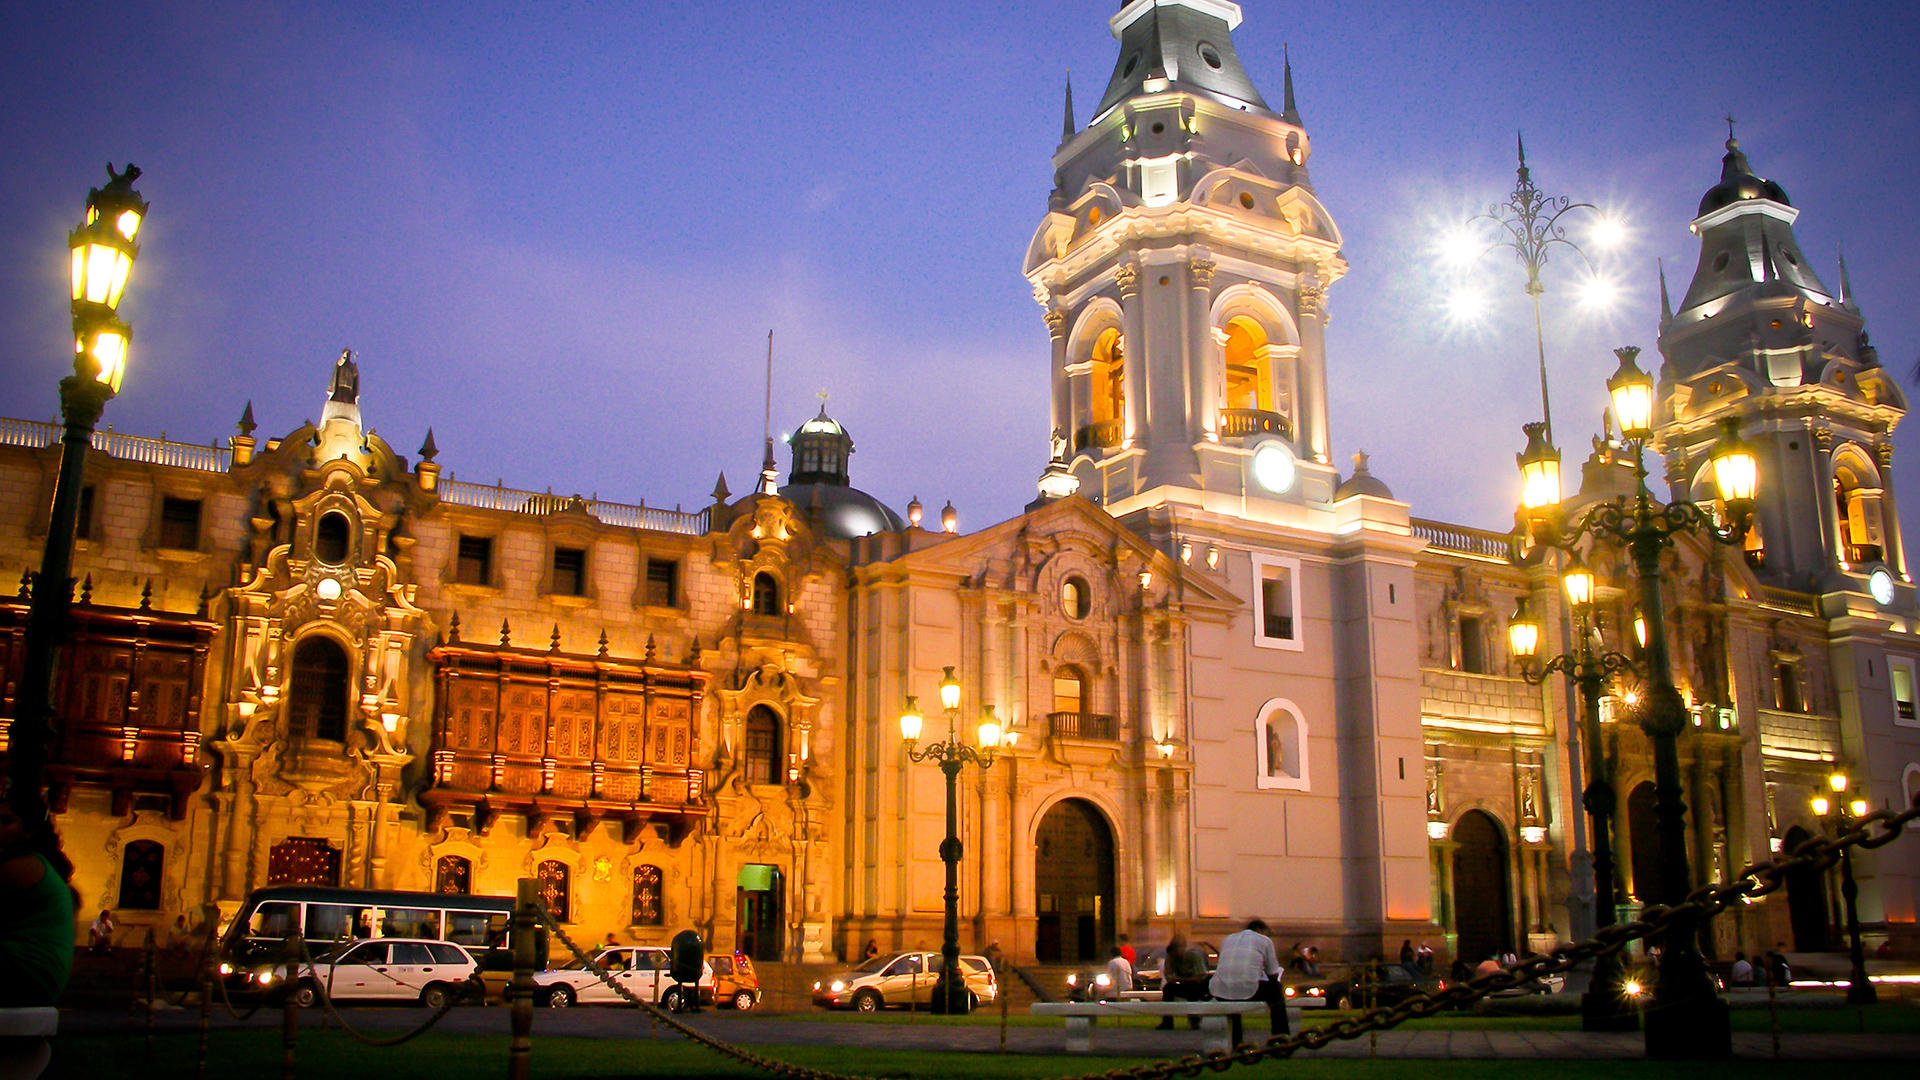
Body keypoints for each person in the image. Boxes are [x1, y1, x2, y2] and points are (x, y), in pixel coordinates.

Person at [0, 797, 78, 1007]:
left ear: (29, 830)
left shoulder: (25, 866)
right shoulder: (36, 864)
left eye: (5, 821)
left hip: (24, 974)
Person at [1210, 918, 1286, 1046]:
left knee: (1234, 990)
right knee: (1276, 988)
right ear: (1260, 930)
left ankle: (1236, 1040)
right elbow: (1273, 974)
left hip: (1219, 991)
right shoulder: (1264, 941)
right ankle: (1280, 1037)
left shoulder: (1228, 939)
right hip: (1247, 990)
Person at [1156, 932, 1209, 1031]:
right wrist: (1170, 964)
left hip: (1198, 985)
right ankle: (1167, 1022)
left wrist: (1180, 980)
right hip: (1185, 983)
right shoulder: (1171, 956)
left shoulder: (1194, 956)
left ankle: (1194, 1021)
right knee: (1168, 989)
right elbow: (1169, 976)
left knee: (1193, 990)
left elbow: (1200, 977)